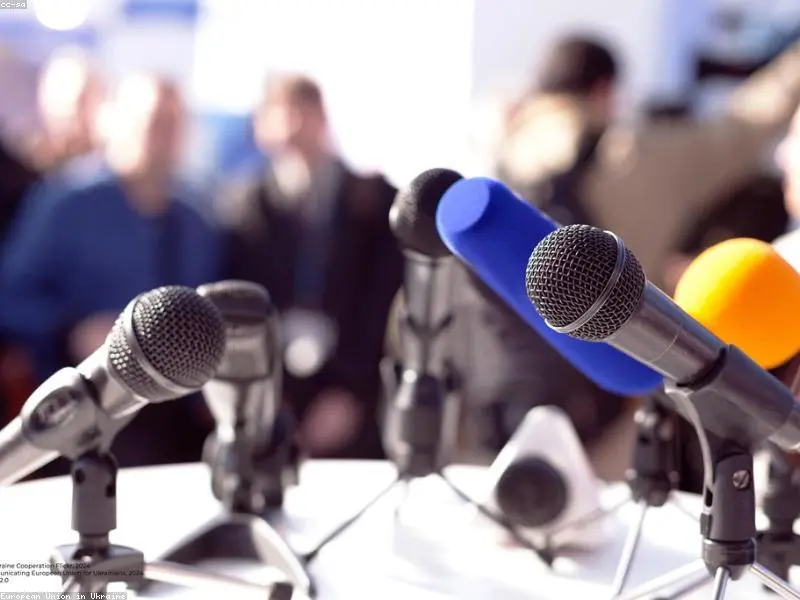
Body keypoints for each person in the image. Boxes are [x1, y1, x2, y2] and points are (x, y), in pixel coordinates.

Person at [0, 74, 222, 472]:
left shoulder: (197, 220)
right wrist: (71, 330)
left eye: (174, 125)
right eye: (153, 121)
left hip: (173, 425)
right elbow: (10, 297)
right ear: (115, 122)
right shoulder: (66, 203)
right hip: (86, 414)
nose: (163, 137)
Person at [498, 35, 800, 290]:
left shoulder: (505, 165)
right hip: (626, 334)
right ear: (604, 89)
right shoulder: (629, 155)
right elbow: (743, 129)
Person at [219, 74, 403, 459]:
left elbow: (379, 303)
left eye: (302, 112)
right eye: (281, 113)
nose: (292, 126)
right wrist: (267, 396)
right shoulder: (244, 207)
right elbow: (238, 303)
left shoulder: (370, 202)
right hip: (275, 391)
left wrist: (350, 390)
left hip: (351, 394)